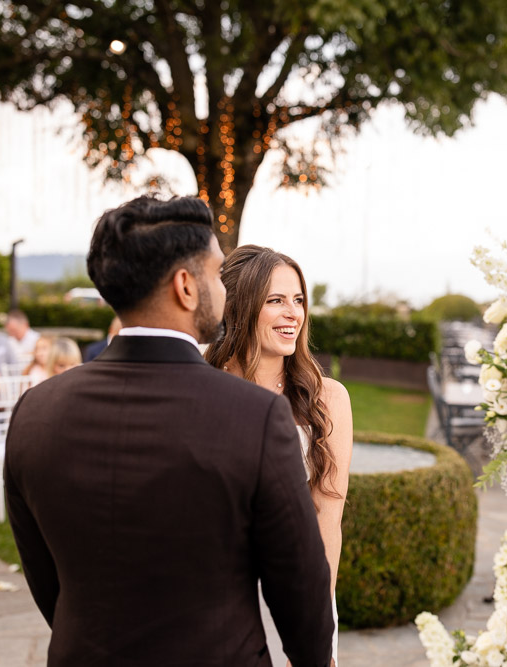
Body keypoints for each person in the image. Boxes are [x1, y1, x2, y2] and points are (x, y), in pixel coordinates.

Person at [4, 195, 334, 666]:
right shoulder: (255, 416)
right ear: (186, 286)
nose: (225, 290)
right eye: (218, 275)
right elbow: (299, 587)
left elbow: (44, 578)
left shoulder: (35, 412)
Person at [206, 245, 353, 667]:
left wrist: (312, 623)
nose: (293, 313)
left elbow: (328, 518)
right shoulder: (201, 386)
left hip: (294, 588)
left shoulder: (329, 399)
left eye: (298, 300)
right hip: (211, 597)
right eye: (275, 300)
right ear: (239, 307)